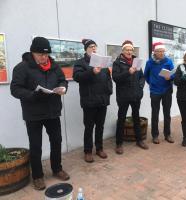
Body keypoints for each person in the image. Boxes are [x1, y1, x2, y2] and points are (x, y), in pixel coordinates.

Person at [10, 37, 70, 190]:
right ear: (32, 52)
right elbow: (15, 89)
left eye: (46, 54)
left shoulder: (54, 66)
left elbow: (63, 80)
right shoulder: (22, 68)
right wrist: (32, 95)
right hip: (33, 114)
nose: (44, 58)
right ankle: (37, 176)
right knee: (36, 145)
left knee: (56, 141)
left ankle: (57, 169)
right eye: (40, 55)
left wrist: (63, 87)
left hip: (52, 112)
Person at [73, 39, 112, 162]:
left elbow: (108, 79)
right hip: (89, 101)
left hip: (102, 100)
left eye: (95, 46)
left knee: (100, 126)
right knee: (89, 127)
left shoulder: (103, 63)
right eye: (91, 46)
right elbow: (77, 77)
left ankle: (99, 148)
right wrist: (92, 71)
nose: (94, 49)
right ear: (86, 49)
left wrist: (109, 92)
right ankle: (88, 151)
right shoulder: (80, 63)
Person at [112, 40, 149, 154]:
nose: (129, 51)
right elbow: (116, 78)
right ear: (122, 51)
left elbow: (142, 77)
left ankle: (139, 140)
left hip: (135, 95)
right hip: (123, 96)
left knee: (136, 117)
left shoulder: (137, 62)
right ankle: (119, 143)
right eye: (127, 50)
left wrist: (140, 88)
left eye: (131, 50)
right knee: (121, 118)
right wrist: (128, 72)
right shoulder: (117, 62)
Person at [144, 42, 175, 144]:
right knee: (155, 114)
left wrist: (170, 77)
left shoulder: (168, 62)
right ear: (155, 52)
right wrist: (152, 83)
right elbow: (146, 75)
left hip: (166, 90)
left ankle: (167, 134)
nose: (161, 53)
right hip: (155, 91)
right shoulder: (149, 62)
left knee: (167, 114)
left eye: (163, 51)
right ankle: (155, 135)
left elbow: (174, 74)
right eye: (159, 51)